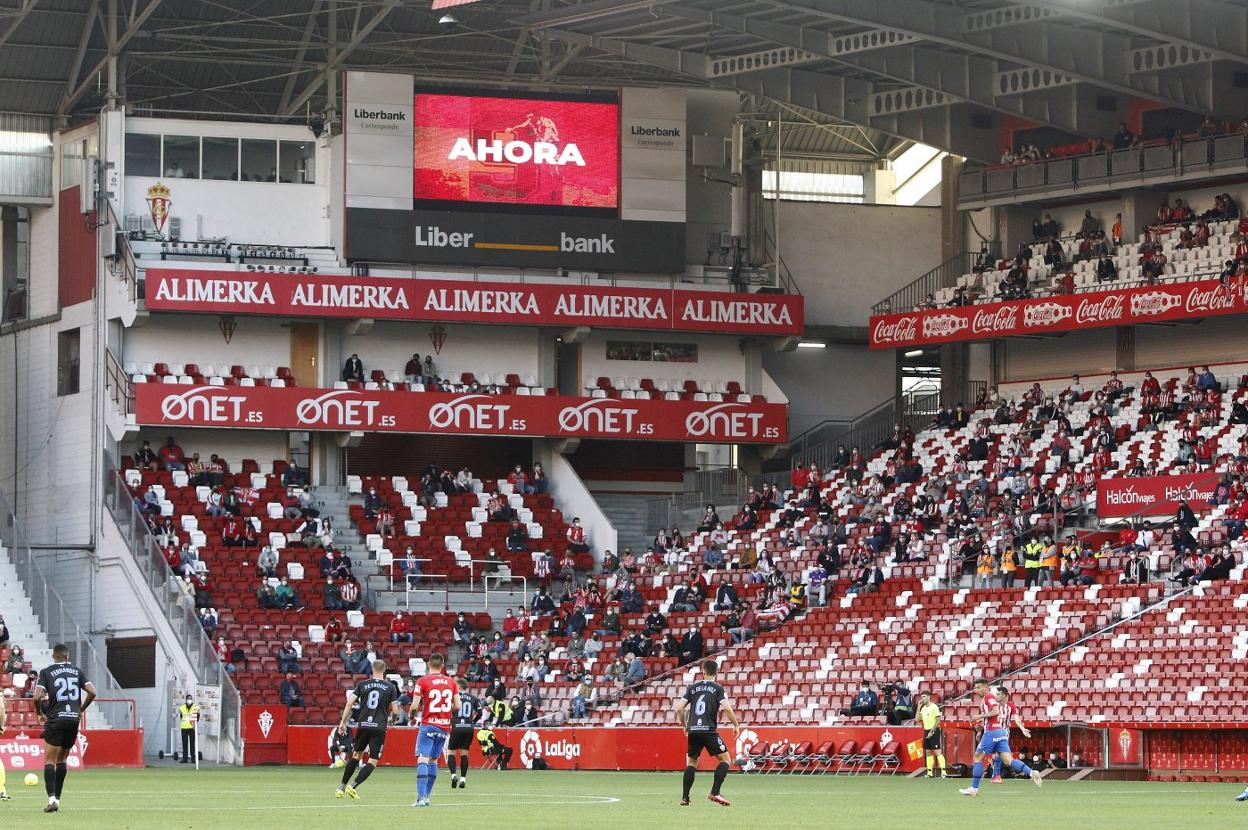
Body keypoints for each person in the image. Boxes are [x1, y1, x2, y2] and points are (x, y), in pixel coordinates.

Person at [32, 643, 97, 812]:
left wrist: (39, 713)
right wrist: (80, 709)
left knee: (49, 761)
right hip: (73, 720)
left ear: (54, 656)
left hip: (56, 719)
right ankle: (58, 801)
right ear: (67, 657)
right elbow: (92, 691)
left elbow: (37, 696)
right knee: (62, 760)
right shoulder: (77, 671)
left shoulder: (46, 672)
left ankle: (52, 798)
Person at [959, 678, 1042, 797]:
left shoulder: (988, 697)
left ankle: (974, 789)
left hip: (992, 732)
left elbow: (996, 711)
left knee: (977, 758)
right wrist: (981, 726)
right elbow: (991, 716)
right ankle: (1032, 772)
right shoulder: (988, 698)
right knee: (1009, 761)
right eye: (975, 688)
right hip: (1001, 732)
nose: (976, 690)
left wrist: (980, 716)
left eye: (978, 688)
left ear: (985, 687)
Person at [676, 659, 741, 807]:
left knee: (691, 762)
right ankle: (715, 792)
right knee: (725, 760)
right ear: (716, 673)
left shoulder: (693, 688)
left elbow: (679, 708)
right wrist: (736, 725)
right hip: (709, 730)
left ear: (703, 672)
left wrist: (685, 725)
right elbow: (727, 708)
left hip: (693, 730)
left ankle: (685, 798)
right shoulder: (718, 688)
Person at [335, 659, 400, 800]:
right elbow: (395, 711)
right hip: (379, 727)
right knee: (373, 760)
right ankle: (353, 786)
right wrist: (392, 720)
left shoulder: (362, 684)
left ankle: (341, 787)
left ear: (372, 669)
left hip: (363, 725)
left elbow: (349, 703)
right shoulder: (390, 687)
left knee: (356, 756)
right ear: (384, 670)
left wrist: (342, 723)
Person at [410, 653, 460, 807]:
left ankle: (420, 798)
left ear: (428, 665)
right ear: (442, 665)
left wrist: (412, 715)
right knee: (433, 760)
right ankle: (427, 797)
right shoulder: (451, 682)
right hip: (444, 726)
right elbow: (457, 706)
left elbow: (414, 706)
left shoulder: (422, 681)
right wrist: (445, 712)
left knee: (422, 759)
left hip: (428, 725)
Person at [447, 677, 479, 790]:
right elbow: (480, 712)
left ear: (458, 687)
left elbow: (447, 709)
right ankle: (463, 779)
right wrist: (473, 722)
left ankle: (453, 775)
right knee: (464, 754)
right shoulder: (473, 698)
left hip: (457, 727)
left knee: (451, 753)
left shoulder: (453, 697)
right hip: (468, 728)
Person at [917, 691, 947, 778]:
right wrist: (918, 707)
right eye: (921, 697)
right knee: (928, 752)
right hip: (926, 730)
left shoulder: (934, 707)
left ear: (929, 697)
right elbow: (917, 718)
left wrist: (932, 731)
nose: (922, 698)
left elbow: (938, 720)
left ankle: (944, 772)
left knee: (937, 751)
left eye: (924, 696)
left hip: (934, 730)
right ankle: (930, 773)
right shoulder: (923, 708)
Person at [176, 692, 200, 764]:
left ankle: (193, 758)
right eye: (188, 699)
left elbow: (198, 715)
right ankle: (185, 758)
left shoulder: (195, 707)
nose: (189, 700)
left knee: (192, 743)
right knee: (184, 743)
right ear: (186, 700)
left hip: (192, 727)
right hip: (184, 727)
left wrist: (195, 723)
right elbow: (181, 716)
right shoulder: (182, 707)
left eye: (190, 699)